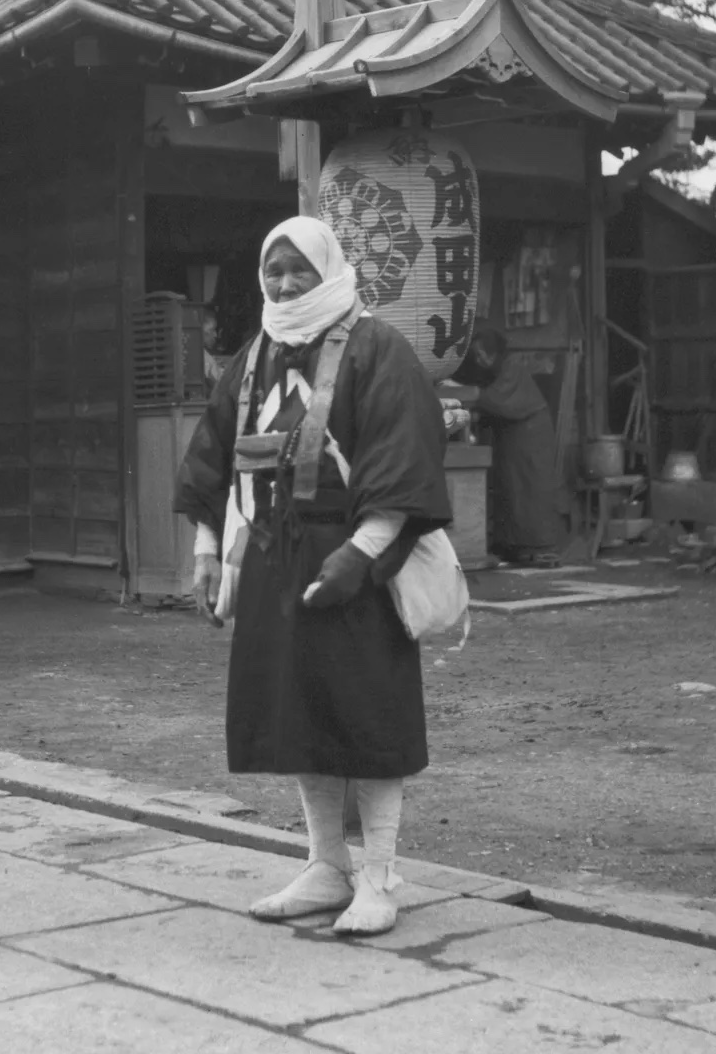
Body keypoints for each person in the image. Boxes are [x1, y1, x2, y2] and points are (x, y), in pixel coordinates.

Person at [174, 215, 451, 936]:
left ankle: (379, 874)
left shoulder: (378, 348)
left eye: (300, 268)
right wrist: (208, 547)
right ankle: (326, 861)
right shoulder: (255, 354)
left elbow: (402, 458)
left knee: (368, 713)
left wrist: (361, 552)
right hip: (273, 555)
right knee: (297, 709)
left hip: (357, 560)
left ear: (330, 269)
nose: (287, 282)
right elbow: (214, 456)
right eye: (275, 269)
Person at [459, 326, 568, 560]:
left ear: (494, 352)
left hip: (531, 433)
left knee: (531, 490)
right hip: (512, 433)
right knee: (511, 489)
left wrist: (467, 393)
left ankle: (540, 546)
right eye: (475, 356)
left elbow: (497, 399)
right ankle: (513, 545)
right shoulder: (492, 370)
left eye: (483, 354)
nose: (479, 360)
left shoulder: (511, 366)